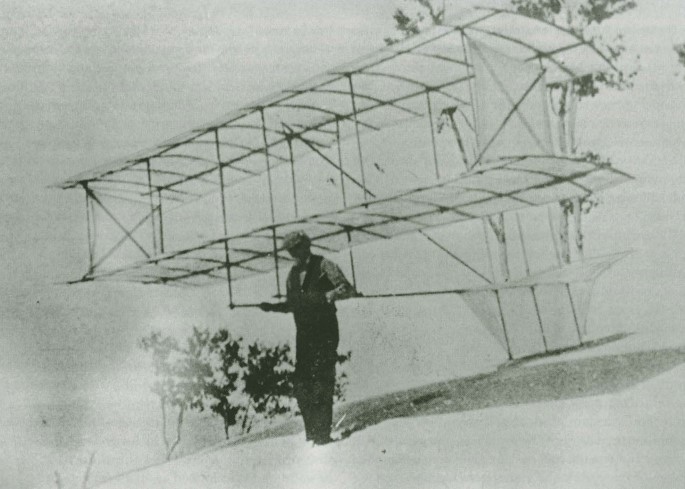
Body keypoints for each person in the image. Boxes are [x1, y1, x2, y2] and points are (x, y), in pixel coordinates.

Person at [259, 231, 356, 445]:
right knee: (302, 384)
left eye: (297, 248)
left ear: (306, 246)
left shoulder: (323, 265)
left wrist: (327, 296)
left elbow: (346, 289)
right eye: (291, 251)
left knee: (322, 380)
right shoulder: (292, 275)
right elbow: (292, 304)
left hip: (324, 330)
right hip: (304, 334)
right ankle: (312, 431)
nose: (294, 254)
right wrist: (272, 308)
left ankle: (322, 434)